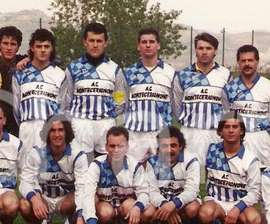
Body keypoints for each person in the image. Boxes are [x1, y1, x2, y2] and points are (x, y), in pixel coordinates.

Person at [197, 114, 263, 224]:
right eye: (226, 127)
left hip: (239, 203)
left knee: (255, 221)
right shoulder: (211, 151)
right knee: (204, 214)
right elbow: (205, 175)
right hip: (216, 202)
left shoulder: (250, 159)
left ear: (242, 131)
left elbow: (255, 192)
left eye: (235, 127)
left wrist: (237, 208)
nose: (231, 130)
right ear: (220, 131)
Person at [18, 116, 89, 224]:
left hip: (66, 200)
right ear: (47, 132)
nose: (56, 134)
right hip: (43, 199)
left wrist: (79, 217)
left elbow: (82, 187)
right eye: (52, 130)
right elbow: (25, 181)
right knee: (24, 203)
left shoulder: (78, 154)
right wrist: (35, 199)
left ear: (66, 132)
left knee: (90, 198)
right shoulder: (37, 152)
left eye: (60, 130)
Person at [60, 22, 126, 156]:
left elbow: (120, 101)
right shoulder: (73, 68)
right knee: (82, 166)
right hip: (81, 123)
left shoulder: (115, 69)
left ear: (105, 43)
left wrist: (110, 118)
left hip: (106, 123)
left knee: (107, 167)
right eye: (91, 40)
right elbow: (65, 101)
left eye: (99, 41)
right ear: (84, 42)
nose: (95, 45)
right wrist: (72, 122)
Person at [80, 127, 150, 224]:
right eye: (112, 146)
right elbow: (88, 194)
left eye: (120, 146)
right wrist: (91, 222)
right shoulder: (97, 165)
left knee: (131, 205)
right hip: (107, 208)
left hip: (126, 208)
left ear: (127, 147)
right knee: (104, 211)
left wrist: (137, 208)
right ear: (106, 147)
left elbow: (144, 193)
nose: (116, 150)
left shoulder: (135, 166)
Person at [172, 32, 231, 164]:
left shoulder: (225, 74)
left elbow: (228, 107)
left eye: (209, 48)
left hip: (215, 133)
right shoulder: (183, 75)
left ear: (215, 51)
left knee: (215, 173)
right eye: (201, 48)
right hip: (190, 132)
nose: (204, 52)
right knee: (190, 172)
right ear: (196, 51)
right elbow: (176, 106)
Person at [143, 126, 201, 224]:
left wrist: (174, 204)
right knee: (146, 214)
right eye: (164, 146)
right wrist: (165, 205)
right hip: (162, 204)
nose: (169, 150)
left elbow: (192, 191)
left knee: (193, 208)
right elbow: (152, 192)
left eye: (173, 145)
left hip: (182, 204)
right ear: (158, 148)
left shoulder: (191, 160)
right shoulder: (152, 162)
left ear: (181, 146)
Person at [12, 28, 66, 163]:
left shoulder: (60, 75)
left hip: (51, 130)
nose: (43, 50)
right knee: (27, 172)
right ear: (32, 48)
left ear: (52, 48)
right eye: (39, 46)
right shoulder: (20, 74)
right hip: (27, 128)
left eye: (46, 46)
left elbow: (63, 107)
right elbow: (15, 107)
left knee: (49, 171)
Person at [122, 28, 176, 162]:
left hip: (161, 133)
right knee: (133, 175)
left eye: (151, 42)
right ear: (138, 46)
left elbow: (175, 104)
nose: (147, 45)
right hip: (135, 134)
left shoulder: (170, 73)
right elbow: (123, 104)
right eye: (143, 42)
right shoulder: (128, 73)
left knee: (161, 176)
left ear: (158, 45)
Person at [222, 44, 270, 169]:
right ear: (238, 63)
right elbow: (226, 116)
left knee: (263, 177)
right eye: (243, 61)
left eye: (250, 60)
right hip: (237, 140)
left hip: (261, 140)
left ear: (257, 62)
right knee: (237, 177)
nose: (247, 64)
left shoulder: (269, 87)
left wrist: (261, 133)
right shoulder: (229, 88)